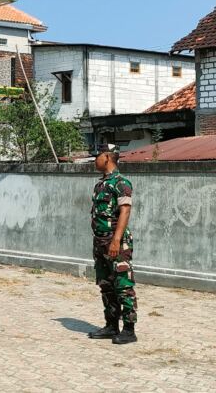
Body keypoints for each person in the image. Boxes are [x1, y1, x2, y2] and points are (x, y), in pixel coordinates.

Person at [87, 144, 138, 345]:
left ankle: (129, 329)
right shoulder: (100, 185)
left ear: (107, 157)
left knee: (123, 285)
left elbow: (125, 211)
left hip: (115, 242)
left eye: (96, 156)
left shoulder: (121, 183)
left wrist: (116, 240)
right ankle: (111, 325)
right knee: (106, 285)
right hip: (100, 242)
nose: (94, 160)